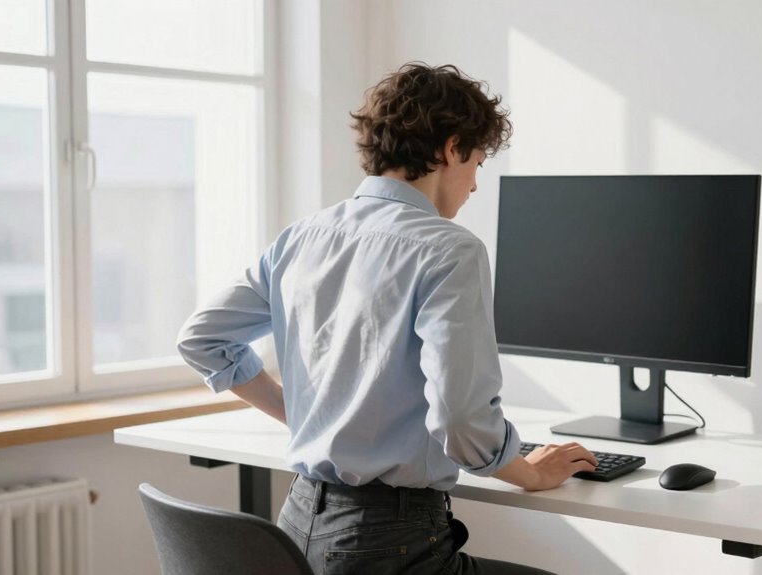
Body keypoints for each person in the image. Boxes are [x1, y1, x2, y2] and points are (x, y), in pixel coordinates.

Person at [177, 62, 597, 575]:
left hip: (296, 530)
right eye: (478, 163)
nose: (475, 185)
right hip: (387, 545)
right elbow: (462, 420)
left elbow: (202, 339)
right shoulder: (449, 249)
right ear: (450, 148)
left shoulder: (302, 237)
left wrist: (313, 417)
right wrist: (529, 473)